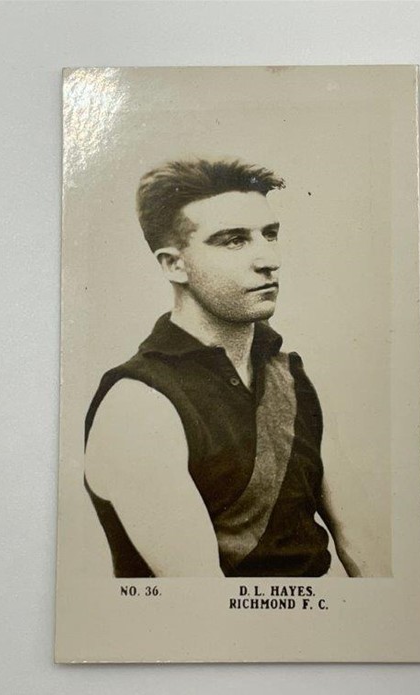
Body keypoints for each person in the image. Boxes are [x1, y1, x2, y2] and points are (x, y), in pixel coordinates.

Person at [84, 158, 366, 578]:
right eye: (234, 241)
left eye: (269, 235)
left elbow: (363, 543)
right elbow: (204, 603)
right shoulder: (138, 404)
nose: (269, 259)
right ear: (174, 264)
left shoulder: (292, 377)